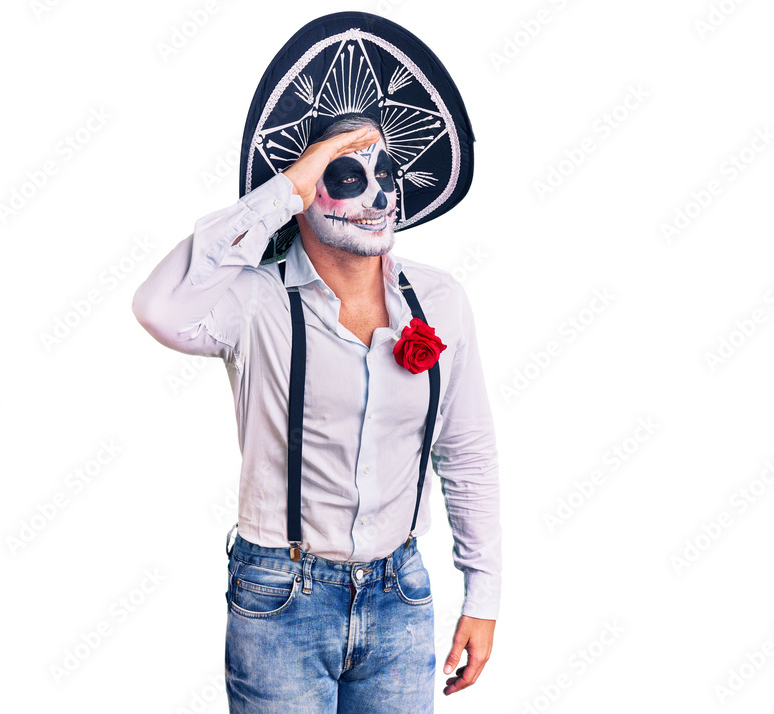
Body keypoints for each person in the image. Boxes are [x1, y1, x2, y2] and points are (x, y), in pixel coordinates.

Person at [132, 11, 501, 712]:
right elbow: (159, 307)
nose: (378, 195)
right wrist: (283, 191)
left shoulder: (440, 301)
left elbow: (467, 451)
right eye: (346, 177)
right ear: (303, 195)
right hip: (281, 597)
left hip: (401, 594)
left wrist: (482, 596)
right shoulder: (253, 301)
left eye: (386, 172)